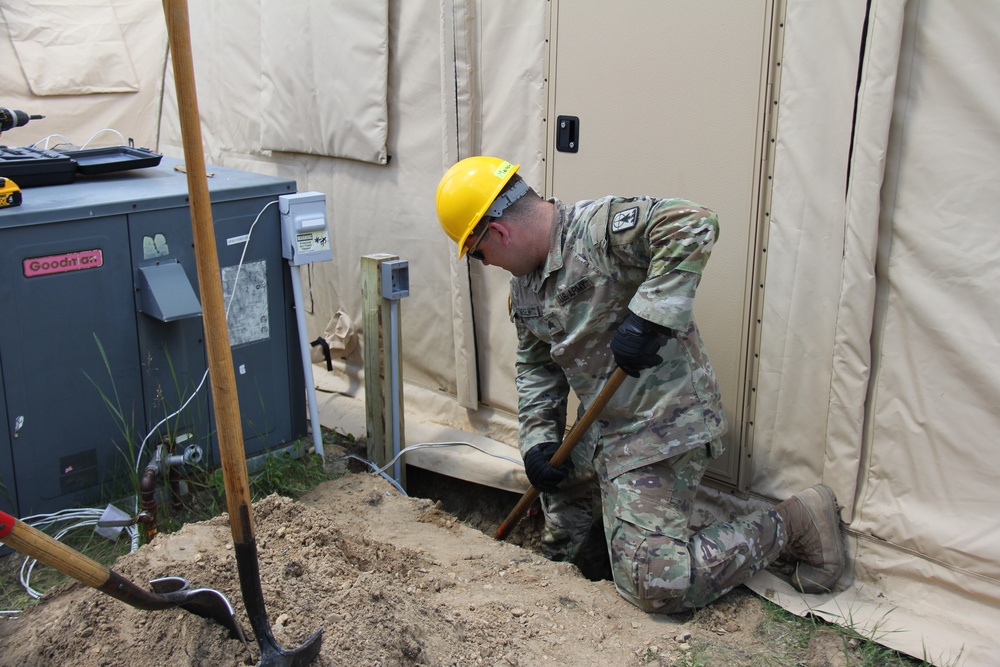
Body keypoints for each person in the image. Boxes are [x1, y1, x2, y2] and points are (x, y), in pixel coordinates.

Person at [435, 156, 846, 612]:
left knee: (654, 587)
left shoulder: (597, 230)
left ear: (497, 232)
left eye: (477, 252)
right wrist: (538, 442)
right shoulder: (525, 288)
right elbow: (536, 369)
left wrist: (649, 315)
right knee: (559, 512)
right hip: (601, 428)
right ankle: (569, 566)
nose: (485, 263)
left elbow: (692, 222)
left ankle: (795, 521)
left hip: (663, 425)